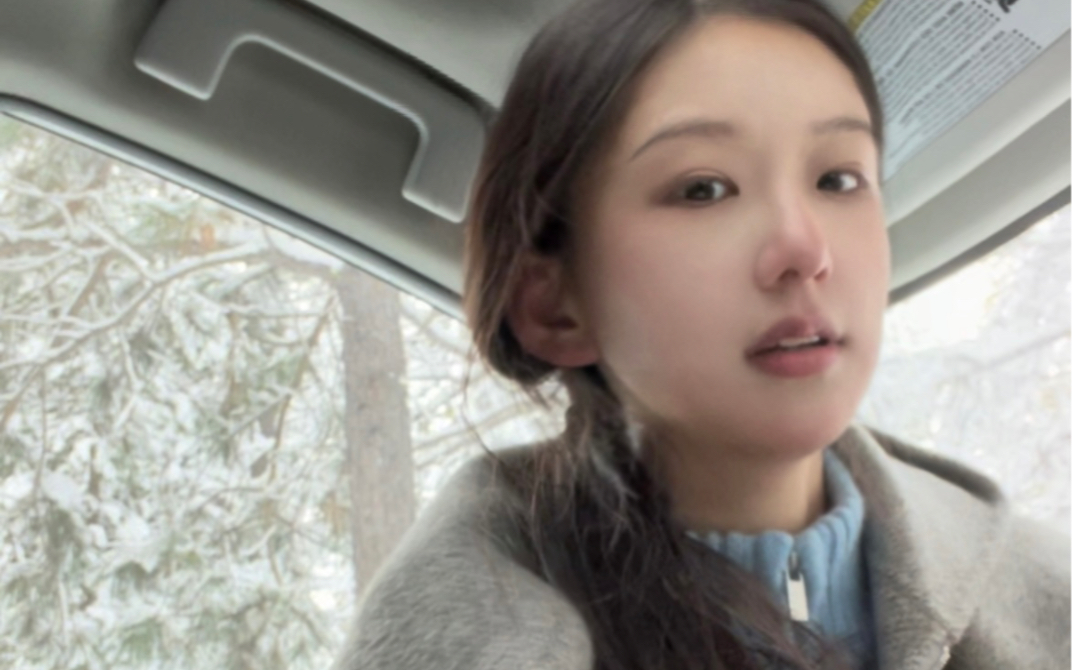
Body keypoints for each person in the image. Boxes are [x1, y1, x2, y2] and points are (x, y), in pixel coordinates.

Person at [335, 0, 1071, 668]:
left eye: (838, 179)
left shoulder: (1048, 594)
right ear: (558, 307)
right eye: (703, 189)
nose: (804, 248)